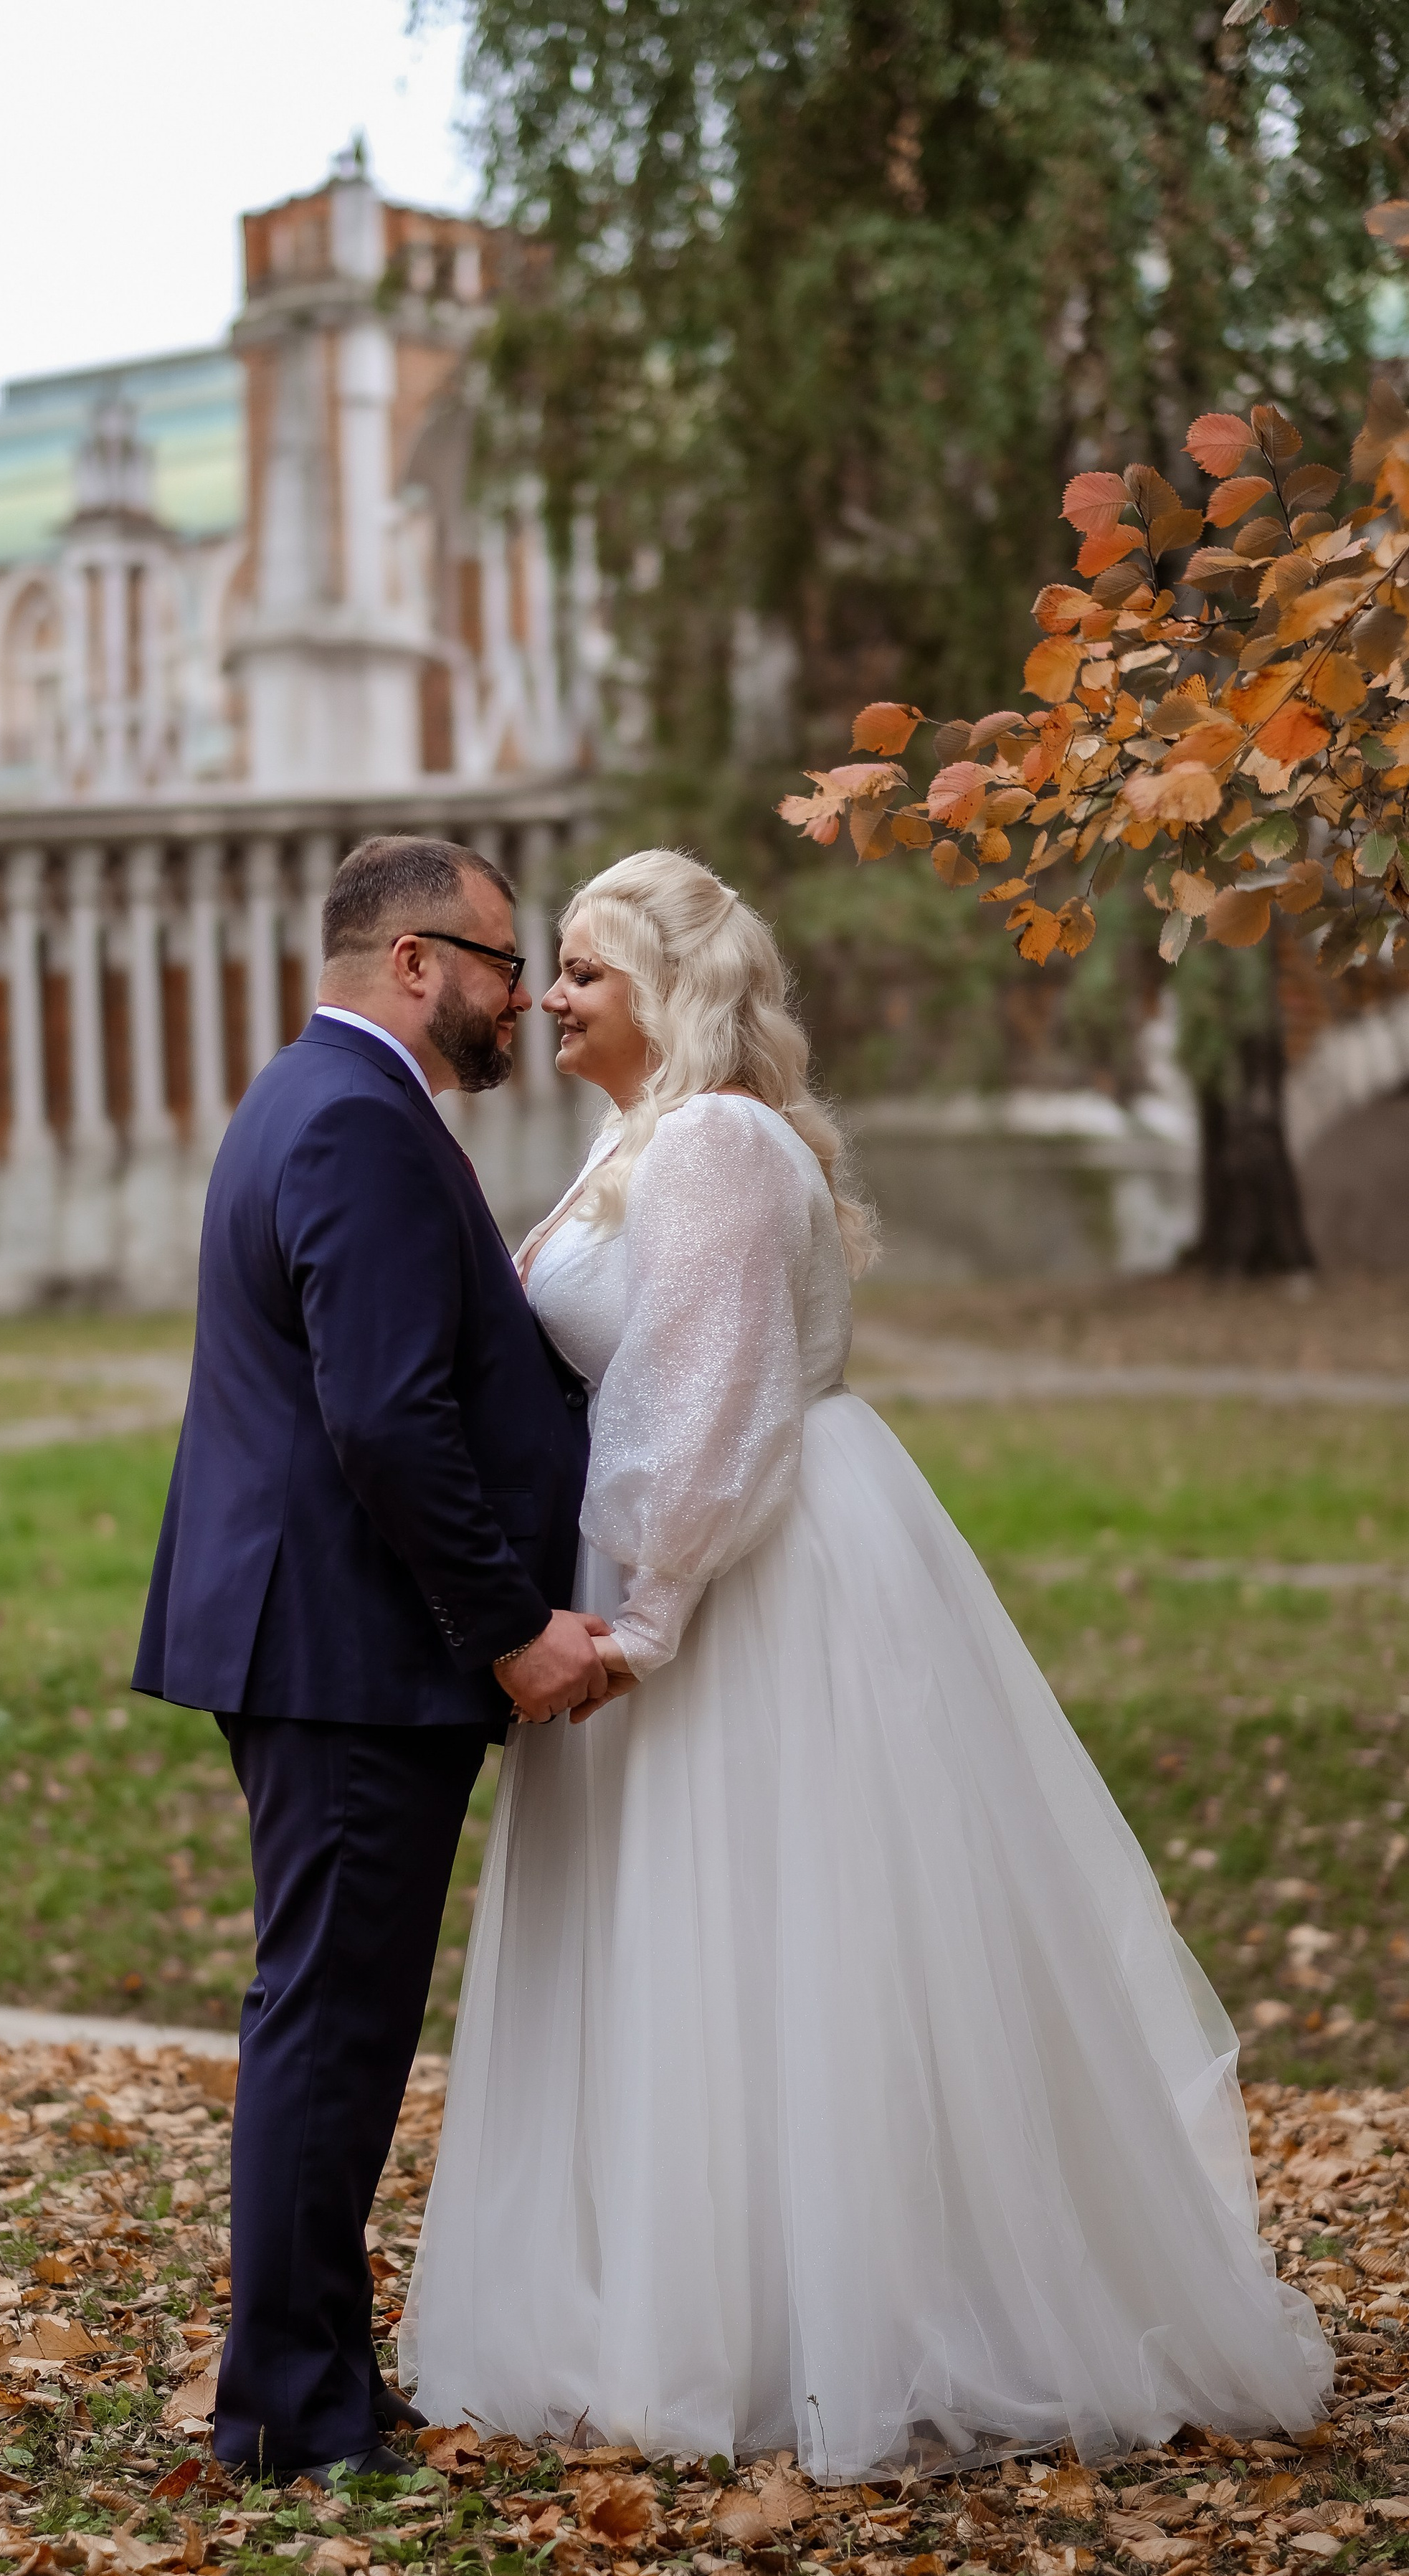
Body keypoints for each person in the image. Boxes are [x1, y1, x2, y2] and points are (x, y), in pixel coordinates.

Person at [401, 846, 1332, 2477]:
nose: (551, 997)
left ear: (670, 993)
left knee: (775, 1927)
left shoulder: (712, 1142)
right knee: (693, 1933)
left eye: (586, 970)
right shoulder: (643, 1135)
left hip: (746, 1572)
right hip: (683, 1555)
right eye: (554, 967)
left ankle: (814, 2323)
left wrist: (649, 1614)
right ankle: (698, 2295)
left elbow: (711, 1397)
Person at [133, 833, 608, 2484]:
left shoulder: (314, 1098)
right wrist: (510, 1629)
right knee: (329, 2022)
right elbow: (386, 1417)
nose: (519, 997)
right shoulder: (353, 1119)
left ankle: (320, 2371)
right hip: (344, 1646)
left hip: (323, 1636)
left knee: (335, 2015)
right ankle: (288, 2410)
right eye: (499, 963)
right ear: (412, 962)